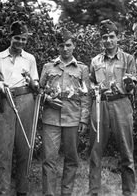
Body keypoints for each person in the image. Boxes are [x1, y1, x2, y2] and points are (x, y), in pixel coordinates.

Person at [0, 21, 39, 196]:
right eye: (17, 38)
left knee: (24, 149)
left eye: (24, 39)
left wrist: (31, 82)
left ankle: (22, 191)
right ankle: (2, 192)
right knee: (4, 151)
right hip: (5, 102)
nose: (20, 42)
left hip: (26, 101)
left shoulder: (30, 59)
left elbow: (36, 84)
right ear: (10, 37)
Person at [39, 28, 91, 196]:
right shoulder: (48, 67)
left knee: (71, 158)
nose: (65, 49)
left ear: (74, 45)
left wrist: (83, 120)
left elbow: (86, 96)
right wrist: (47, 99)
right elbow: (38, 92)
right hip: (51, 118)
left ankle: (66, 193)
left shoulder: (82, 69)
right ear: (57, 47)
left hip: (73, 118)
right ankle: (50, 194)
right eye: (61, 45)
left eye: (68, 45)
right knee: (49, 159)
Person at [88, 19, 137, 196]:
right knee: (95, 150)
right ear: (101, 39)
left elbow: (133, 86)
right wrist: (95, 89)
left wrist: (129, 84)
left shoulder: (128, 59)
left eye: (111, 36)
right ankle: (93, 191)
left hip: (121, 104)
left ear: (118, 38)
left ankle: (128, 192)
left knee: (126, 151)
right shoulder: (95, 61)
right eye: (104, 37)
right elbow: (91, 82)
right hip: (100, 104)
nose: (108, 40)